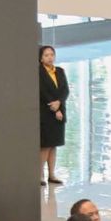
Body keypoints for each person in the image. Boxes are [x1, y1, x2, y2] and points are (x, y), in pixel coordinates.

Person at [37, 45, 69, 186]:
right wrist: (55, 108)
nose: (50, 57)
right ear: (41, 58)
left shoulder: (60, 71)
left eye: (52, 54)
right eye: (46, 55)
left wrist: (59, 103)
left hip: (60, 111)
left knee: (54, 145)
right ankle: (40, 175)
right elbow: (43, 92)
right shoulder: (38, 72)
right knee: (45, 145)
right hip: (46, 113)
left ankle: (52, 174)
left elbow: (65, 90)